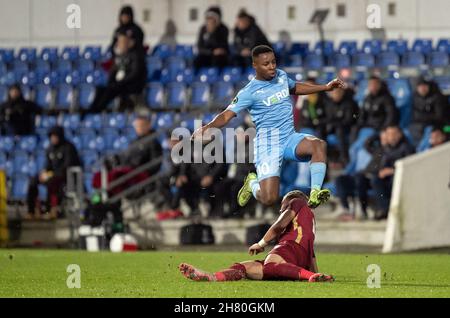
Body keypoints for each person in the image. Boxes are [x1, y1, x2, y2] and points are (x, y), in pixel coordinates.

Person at [192, 45, 345, 209]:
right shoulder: (248, 92)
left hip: (289, 138)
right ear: (255, 66)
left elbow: (294, 87)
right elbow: (227, 114)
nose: (272, 66)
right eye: (266, 64)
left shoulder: (281, 76)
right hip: (268, 146)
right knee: (269, 198)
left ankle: (315, 193)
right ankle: (252, 183)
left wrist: (325, 87)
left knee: (318, 144)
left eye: (274, 62)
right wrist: (207, 127)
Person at [179, 190, 334, 282]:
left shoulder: (297, 201)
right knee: (245, 267)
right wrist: (316, 273)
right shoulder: (308, 220)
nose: (280, 210)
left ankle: (307, 276)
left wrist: (261, 243)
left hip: (290, 247)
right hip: (299, 258)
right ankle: (212, 277)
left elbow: (279, 225)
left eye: (282, 204)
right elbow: (311, 254)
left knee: (270, 266)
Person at [92, 115, 163, 199]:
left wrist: (141, 173)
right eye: (136, 126)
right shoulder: (134, 142)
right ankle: (102, 200)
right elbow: (125, 157)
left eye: (140, 126)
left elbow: (155, 164)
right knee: (103, 176)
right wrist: (115, 159)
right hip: (128, 174)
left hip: (139, 176)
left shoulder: (153, 142)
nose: (138, 128)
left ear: (148, 125)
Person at [26, 126, 81, 220]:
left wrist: (52, 174)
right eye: (51, 136)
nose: (53, 139)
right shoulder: (50, 149)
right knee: (33, 182)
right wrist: (44, 172)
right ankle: (31, 211)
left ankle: (51, 210)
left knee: (52, 182)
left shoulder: (68, 147)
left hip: (66, 176)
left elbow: (68, 165)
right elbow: (47, 165)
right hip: (52, 175)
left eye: (55, 136)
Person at [90, 32, 146, 113]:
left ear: (129, 43)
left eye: (121, 42)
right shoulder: (120, 57)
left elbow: (134, 74)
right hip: (120, 84)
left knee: (110, 90)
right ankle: (92, 111)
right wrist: (112, 81)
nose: (118, 44)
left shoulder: (136, 56)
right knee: (101, 89)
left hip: (131, 85)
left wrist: (120, 81)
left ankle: (97, 110)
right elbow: (113, 71)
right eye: (118, 42)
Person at [372, 125, 415, 220]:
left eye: (394, 134)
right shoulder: (385, 149)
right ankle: (384, 209)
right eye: (389, 134)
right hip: (387, 177)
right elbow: (381, 165)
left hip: (401, 176)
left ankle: (392, 210)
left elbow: (410, 166)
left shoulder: (407, 147)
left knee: (393, 181)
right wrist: (381, 171)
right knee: (376, 179)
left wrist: (393, 171)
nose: (391, 137)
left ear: (400, 134)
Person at [353, 76, 399, 141]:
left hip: (379, 127)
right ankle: (352, 149)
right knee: (355, 129)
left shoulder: (387, 98)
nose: (372, 86)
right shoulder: (367, 98)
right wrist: (360, 123)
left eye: (374, 84)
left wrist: (384, 128)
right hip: (368, 125)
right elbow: (362, 114)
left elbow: (391, 115)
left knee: (365, 138)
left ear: (379, 85)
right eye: (370, 84)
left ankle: (355, 150)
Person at [324, 87, 359, 164]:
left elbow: (348, 120)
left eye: (338, 92)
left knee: (339, 131)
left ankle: (344, 157)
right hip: (333, 128)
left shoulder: (348, 103)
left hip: (346, 128)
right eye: (334, 92)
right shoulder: (329, 104)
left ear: (342, 93)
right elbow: (328, 118)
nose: (336, 94)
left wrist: (336, 123)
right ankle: (327, 158)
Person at [410, 78, 448, 145]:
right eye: (420, 86)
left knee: (446, 130)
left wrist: (424, 117)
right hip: (424, 126)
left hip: (444, 125)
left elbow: (439, 116)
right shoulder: (415, 98)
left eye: (424, 86)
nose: (422, 88)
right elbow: (415, 116)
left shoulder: (437, 97)